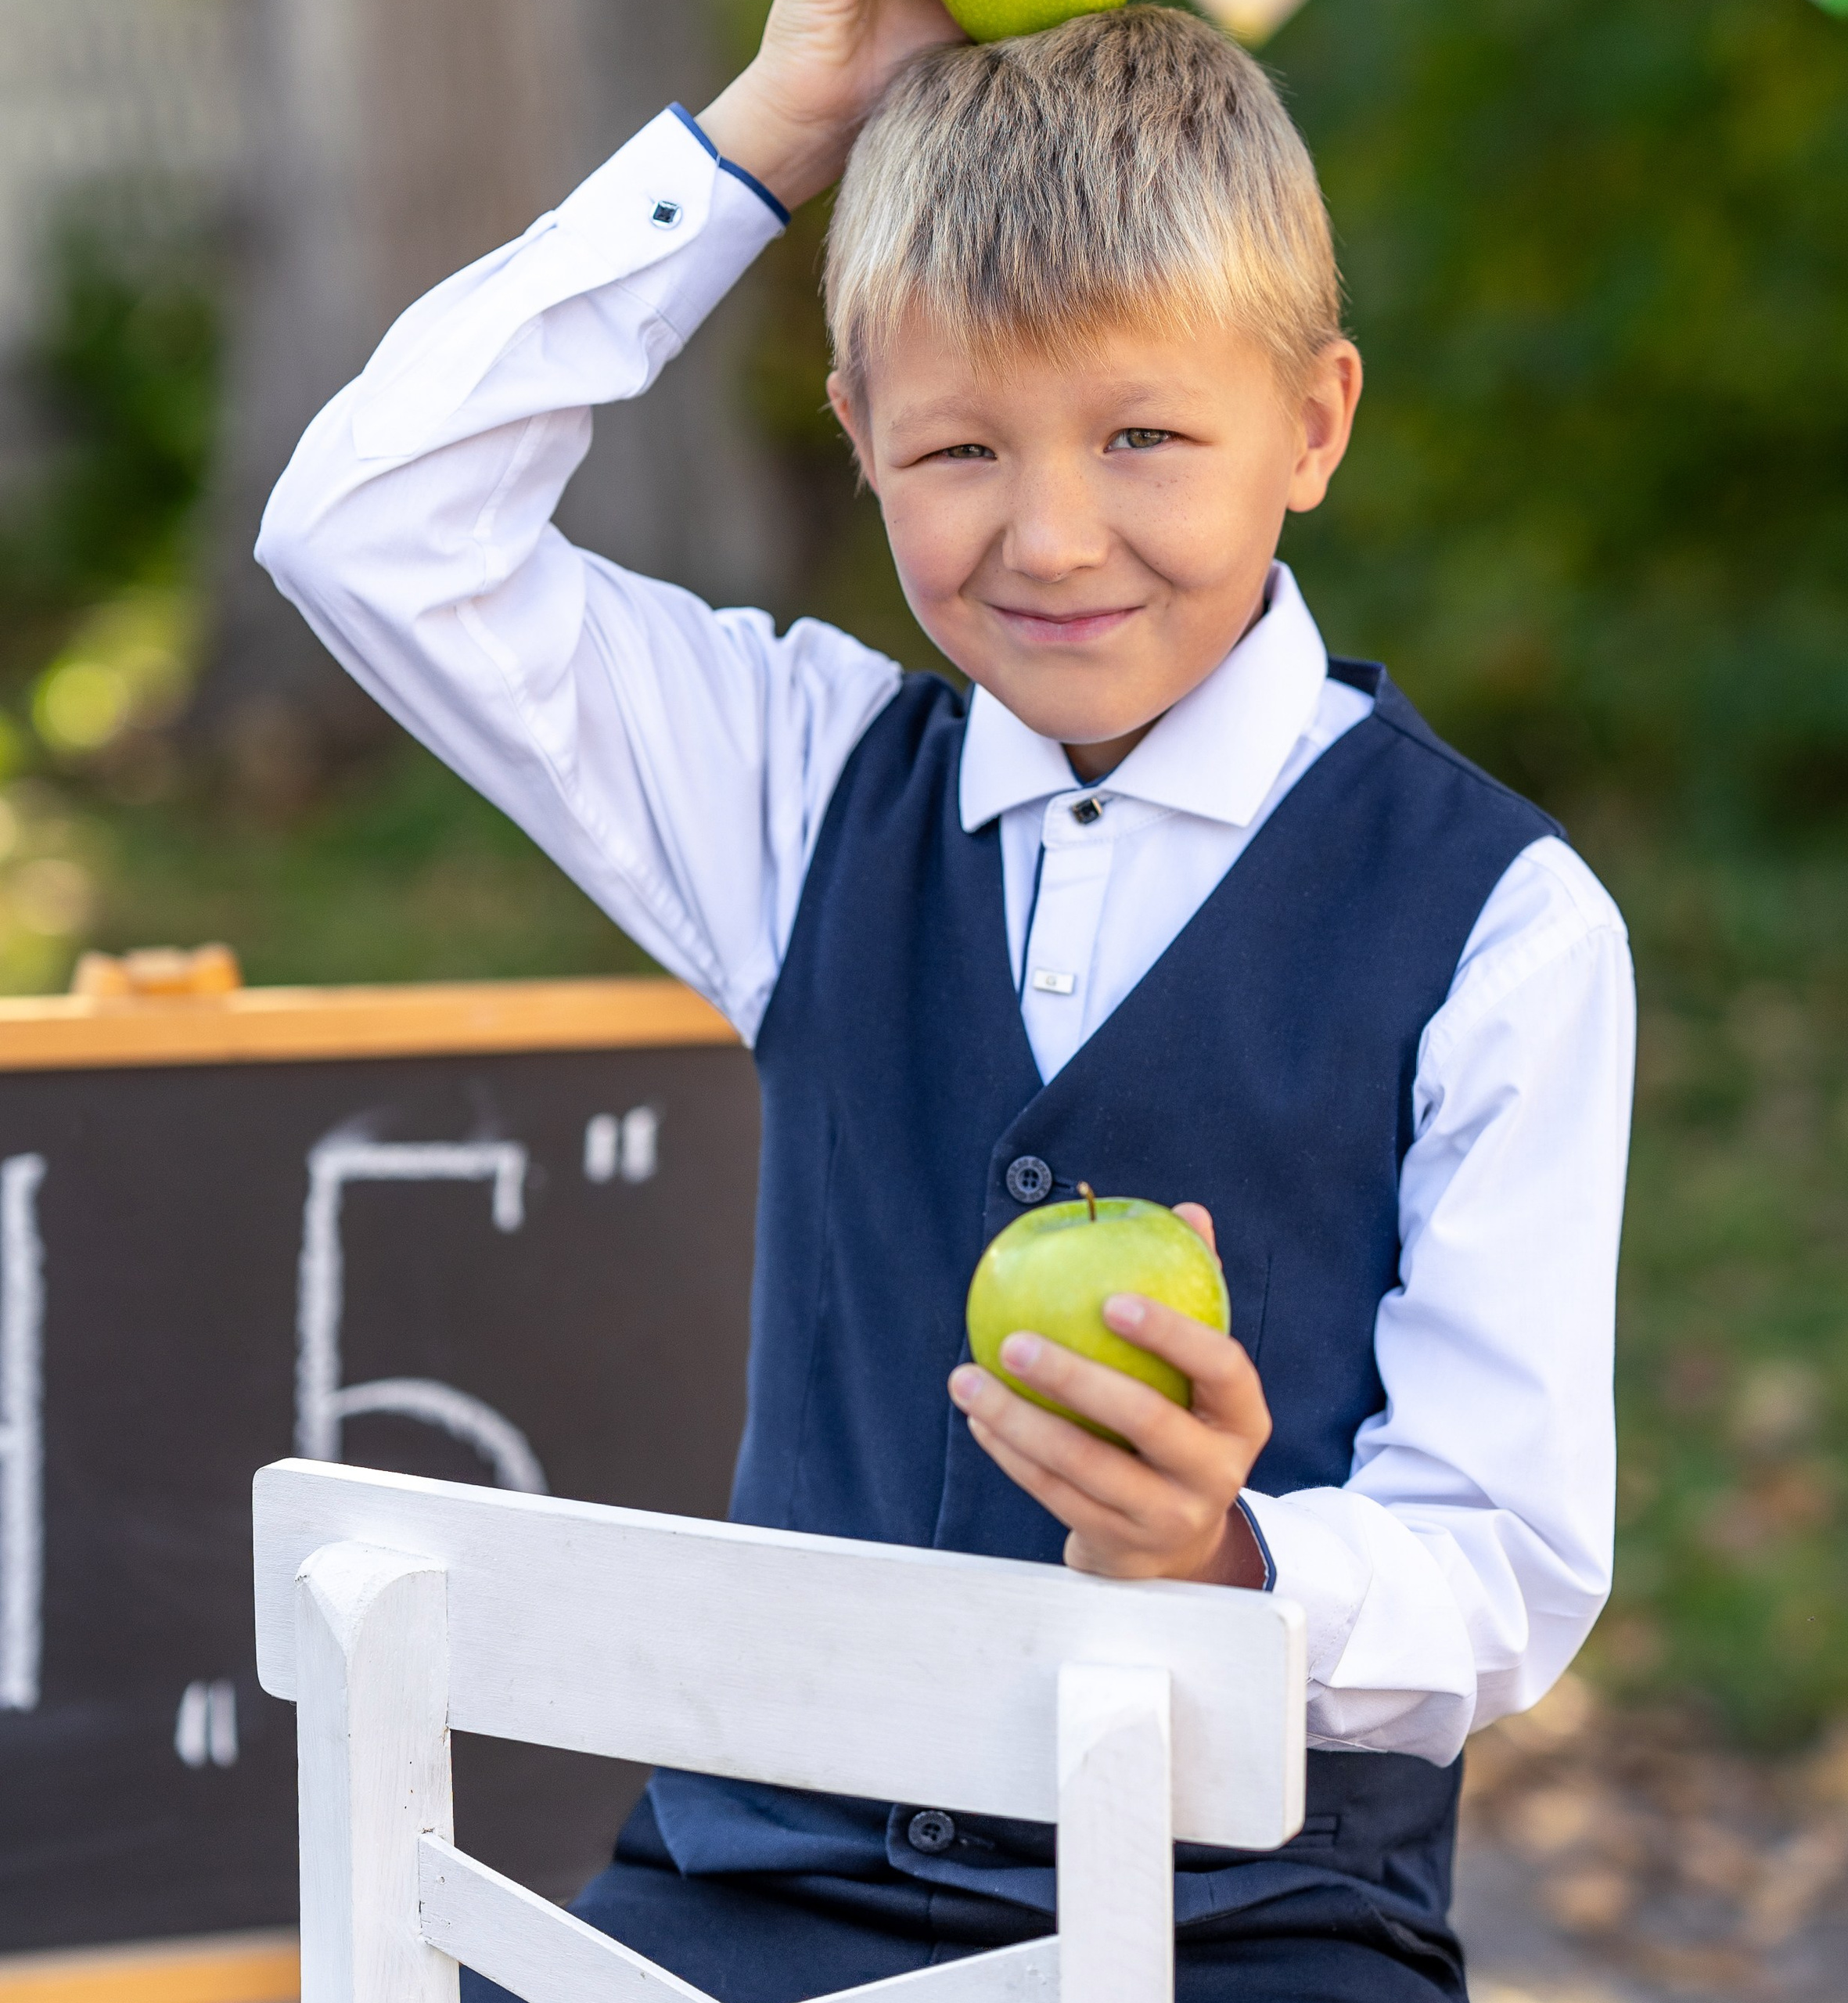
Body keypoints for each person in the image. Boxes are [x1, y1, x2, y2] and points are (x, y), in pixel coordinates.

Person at [257, 2, 1633, 1995]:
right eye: (959, 448)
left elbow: (1501, 1559)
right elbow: (365, 528)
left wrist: (1231, 1556)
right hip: (753, 1892)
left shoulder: (1501, 923)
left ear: (1314, 422)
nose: (1052, 534)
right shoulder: (801, 790)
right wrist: (770, 123)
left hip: (1242, 1915)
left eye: (1141, 435)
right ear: (854, 434)